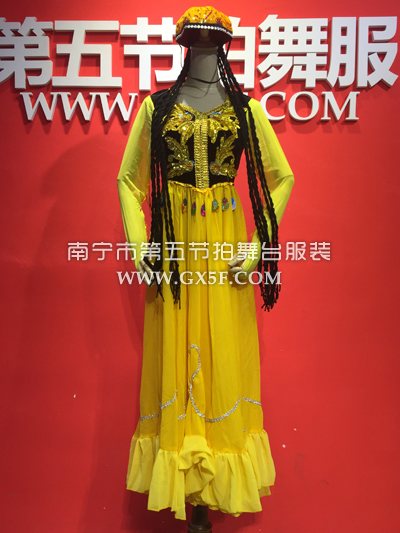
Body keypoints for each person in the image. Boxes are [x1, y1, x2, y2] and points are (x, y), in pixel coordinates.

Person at [116, 5, 295, 522]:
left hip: (223, 244)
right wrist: (141, 246)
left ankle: (214, 477)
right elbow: (128, 181)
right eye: (193, 40)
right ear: (182, 46)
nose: (201, 48)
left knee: (223, 351)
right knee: (175, 350)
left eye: (210, 41)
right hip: (174, 245)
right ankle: (185, 476)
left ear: (223, 46)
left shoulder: (246, 109)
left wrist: (258, 244)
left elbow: (282, 177)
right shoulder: (155, 108)